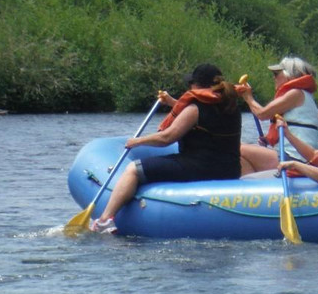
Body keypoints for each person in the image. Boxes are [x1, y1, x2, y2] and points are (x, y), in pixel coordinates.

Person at [90, 63, 241, 233]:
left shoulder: (195, 109)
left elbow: (167, 138)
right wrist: (172, 103)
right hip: (229, 170)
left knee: (133, 169)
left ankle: (104, 220)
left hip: (200, 167)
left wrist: (137, 141)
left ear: (196, 86)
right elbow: (197, 116)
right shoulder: (231, 106)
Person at [235, 56, 318, 175]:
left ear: (289, 75)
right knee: (239, 155)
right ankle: (251, 185)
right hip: (291, 156)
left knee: (238, 148)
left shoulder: (296, 94)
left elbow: (262, 114)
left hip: (294, 159)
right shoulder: (303, 95)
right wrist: (268, 140)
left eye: (276, 74)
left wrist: (248, 98)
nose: (273, 77)